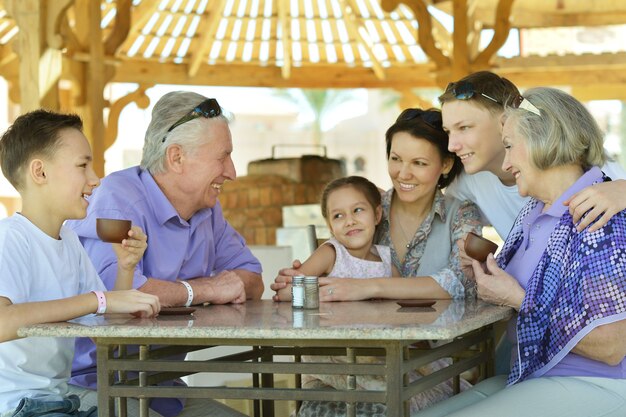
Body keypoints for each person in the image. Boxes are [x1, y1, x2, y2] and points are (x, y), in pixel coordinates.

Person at [417, 87, 626, 417]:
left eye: (511, 147)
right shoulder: (534, 212)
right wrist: (488, 277)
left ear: (545, 139)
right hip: (536, 373)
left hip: (597, 381)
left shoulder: (599, 215)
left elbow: (612, 346)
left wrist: (517, 298)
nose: (507, 161)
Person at [67, 92, 263, 417]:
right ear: (176, 158)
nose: (232, 172)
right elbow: (119, 295)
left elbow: (252, 279)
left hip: (163, 389)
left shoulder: (207, 210)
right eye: (222, 157)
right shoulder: (113, 202)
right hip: (96, 388)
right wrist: (205, 290)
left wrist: (186, 292)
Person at [0, 110, 160, 417]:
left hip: (60, 401)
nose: (95, 179)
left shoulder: (69, 241)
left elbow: (105, 333)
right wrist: (96, 300)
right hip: (18, 406)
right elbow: (3, 322)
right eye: (82, 165)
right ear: (40, 172)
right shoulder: (9, 238)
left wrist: (125, 269)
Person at [273, 108, 481, 302]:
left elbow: (461, 281)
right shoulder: (365, 209)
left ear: (446, 164)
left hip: (442, 339)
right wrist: (295, 281)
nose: (403, 173)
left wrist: (367, 287)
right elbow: (334, 263)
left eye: (419, 163)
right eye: (396, 159)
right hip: (366, 337)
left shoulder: (462, 214)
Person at [439, 70, 626, 241]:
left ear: (506, 119)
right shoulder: (468, 181)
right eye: (448, 131)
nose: (452, 145)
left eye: (464, 127)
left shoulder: (575, 156)